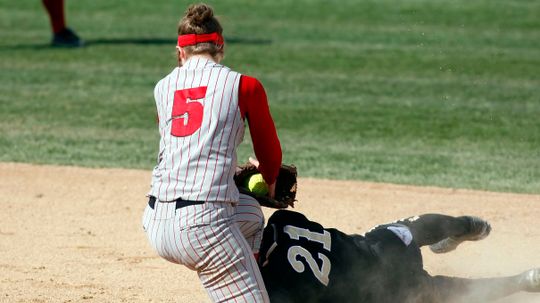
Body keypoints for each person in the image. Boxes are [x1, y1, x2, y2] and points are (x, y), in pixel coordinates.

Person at [141, 3, 281, 303]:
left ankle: (248, 276)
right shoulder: (246, 86)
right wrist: (268, 181)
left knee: (252, 216)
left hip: (155, 222)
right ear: (221, 48)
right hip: (204, 228)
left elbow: (185, 148)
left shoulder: (162, 87)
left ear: (180, 54)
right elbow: (270, 154)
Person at [259, 210, 540, 303]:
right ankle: (465, 226)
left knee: (446, 293)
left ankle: (523, 280)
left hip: (387, 295)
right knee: (406, 229)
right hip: (381, 248)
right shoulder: (282, 220)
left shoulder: (271, 288)